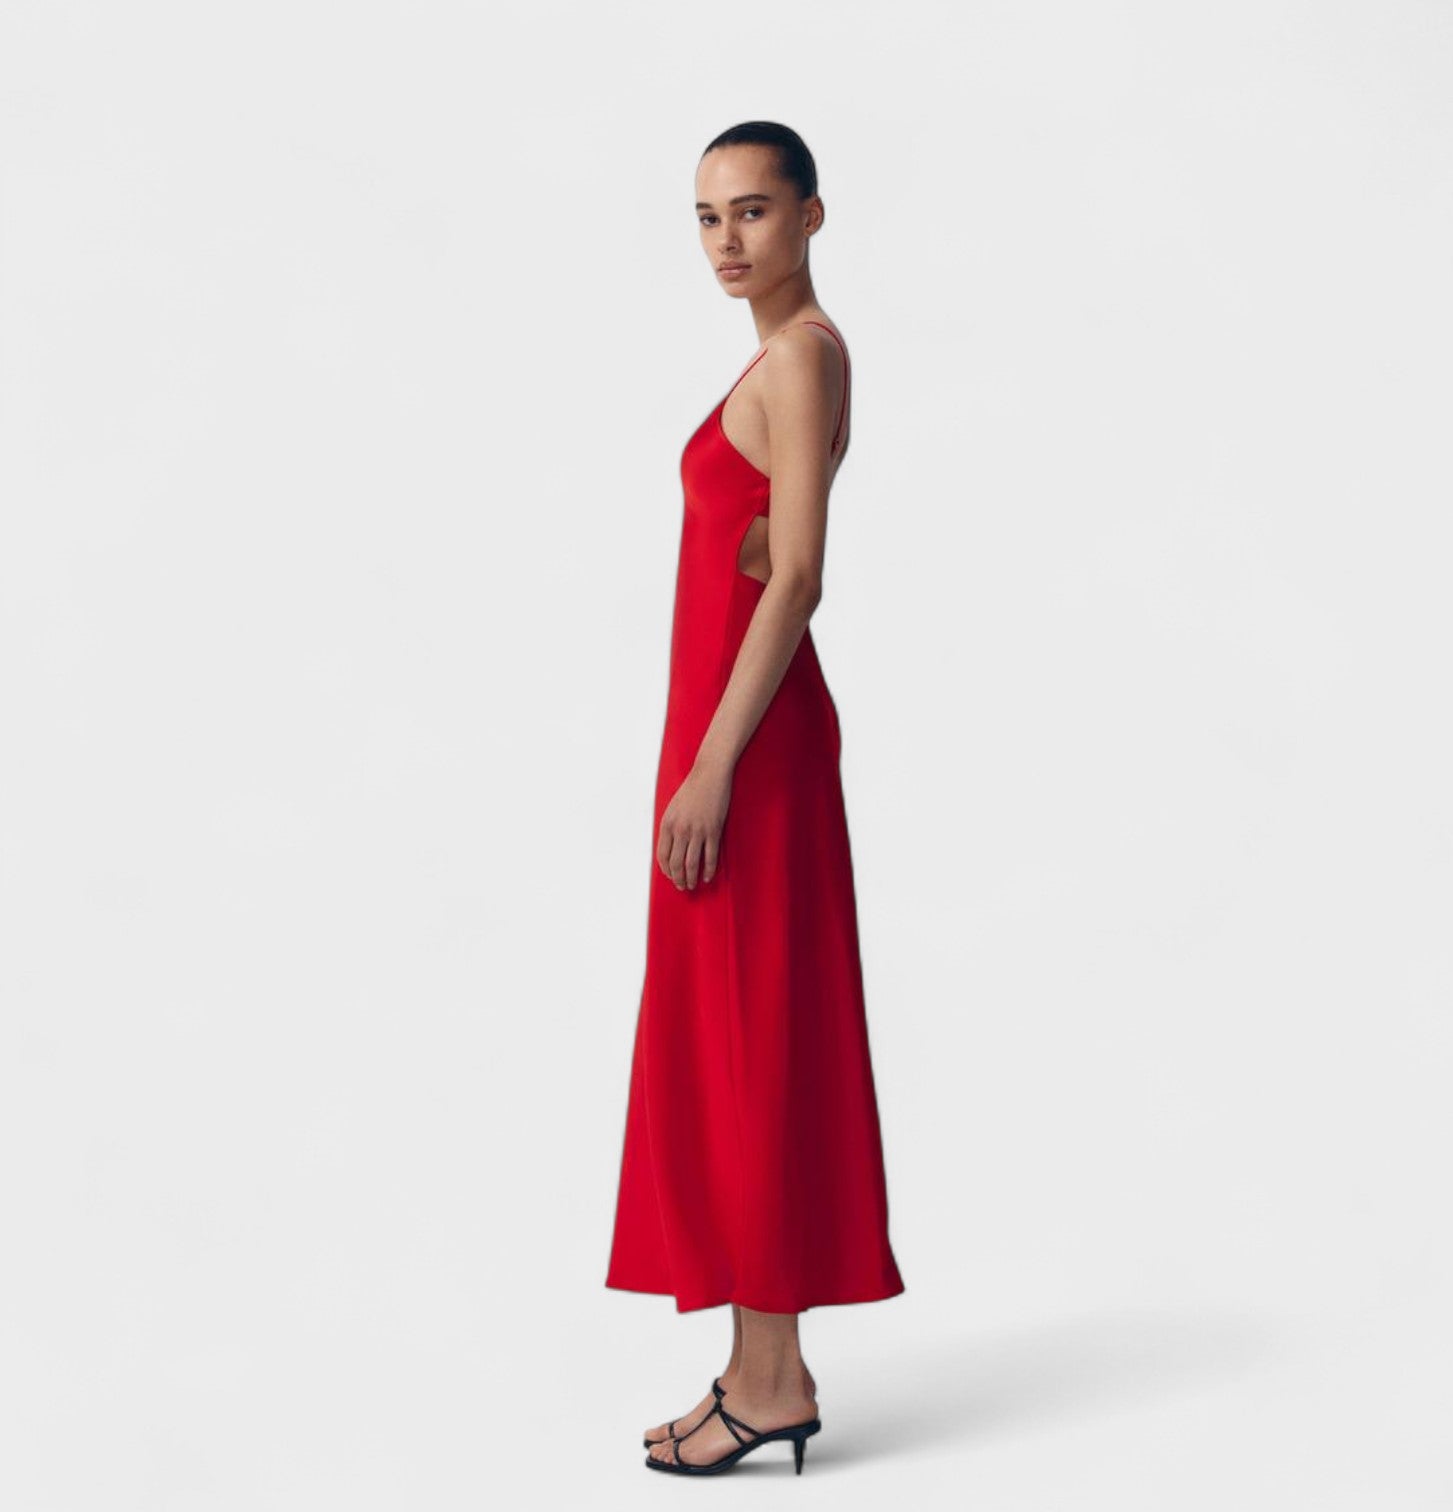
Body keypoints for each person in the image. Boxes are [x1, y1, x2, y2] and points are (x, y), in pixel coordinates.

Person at [605, 121, 905, 1477]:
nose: (728, 240)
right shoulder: (787, 355)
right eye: (707, 216)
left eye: (755, 211)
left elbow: (796, 575)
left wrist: (714, 765)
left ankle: (773, 1378)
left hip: (751, 742)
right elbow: (760, 543)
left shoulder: (800, 354)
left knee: (756, 1042)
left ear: (812, 216)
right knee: (731, 1043)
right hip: (730, 725)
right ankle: (754, 1365)